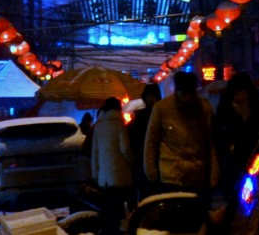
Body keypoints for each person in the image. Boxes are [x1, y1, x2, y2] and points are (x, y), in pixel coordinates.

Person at [143, 71, 219, 196]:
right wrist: (151, 171)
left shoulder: (203, 108)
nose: (187, 98)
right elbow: (151, 141)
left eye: (191, 93)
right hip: (171, 175)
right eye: (184, 93)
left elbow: (211, 142)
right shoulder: (162, 108)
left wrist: (214, 174)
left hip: (197, 175)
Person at [212, 73, 259, 211]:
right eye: (237, 94)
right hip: (233, 163)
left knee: (258, 198)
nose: (241, 98)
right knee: (235, 199)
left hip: (257, 159)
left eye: (244, 94)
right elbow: (217, 135)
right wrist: (229, 147)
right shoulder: (224, 110)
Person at [89, 96, 135, 227]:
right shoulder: (119, 126)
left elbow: (95, 152)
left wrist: (95, 173)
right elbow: (125, 149)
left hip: (104, 176)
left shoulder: (98, 126)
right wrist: (132, 160)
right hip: (119, 173)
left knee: (109, 208)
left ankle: (109, 229)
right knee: (118, 205)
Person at [127, 82, 161, 196]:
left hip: (155, 160)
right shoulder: (141, 117)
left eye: (153, 96)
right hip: (144, 159)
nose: (151, 99)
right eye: (148, 96)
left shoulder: (161, 115)